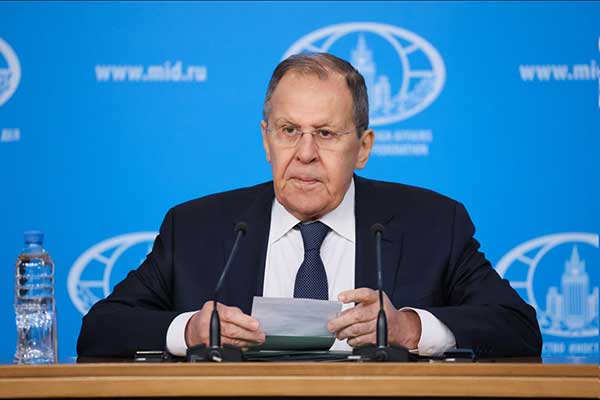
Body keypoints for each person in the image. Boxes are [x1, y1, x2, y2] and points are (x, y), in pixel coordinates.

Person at [77, 53, 542, 358]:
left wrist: (410, 329)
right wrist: (190, 332)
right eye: (288, 131)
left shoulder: (433, 225)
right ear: (266, 140)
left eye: (325, 133)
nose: (304, 154)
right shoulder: (196, 227)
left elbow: (518, 328)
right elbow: (100, 330)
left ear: (363, 147)